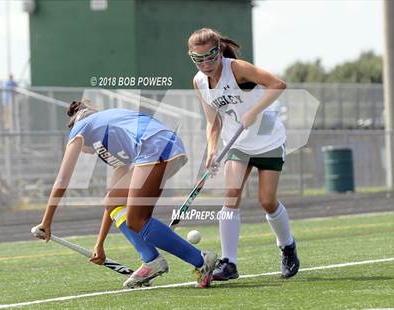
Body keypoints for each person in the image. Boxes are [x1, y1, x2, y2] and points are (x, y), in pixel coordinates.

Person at [32, 101, 217, 288]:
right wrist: (99, 244)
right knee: (121, 206)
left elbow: (62, 180)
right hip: (168, 146)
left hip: (153, 147)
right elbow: (112, 202)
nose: (86, 153)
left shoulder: (80, 128)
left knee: (137, 220)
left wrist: (46, 222)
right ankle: (151, 260)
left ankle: (201, 260)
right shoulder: (113, 135)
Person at [188, 28, 300, 281]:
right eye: (198, 59)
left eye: (210, 56)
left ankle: (287, 246)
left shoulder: (237, 68)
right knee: (231, 197)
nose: (206, 64)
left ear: (218, 51)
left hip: (268, 138)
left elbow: (278, 84)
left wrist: (253, 111)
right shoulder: (198, 82)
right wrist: (212, 150)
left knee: (266, 201)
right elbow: (212, 122)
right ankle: (229, 263)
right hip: (236, 144)